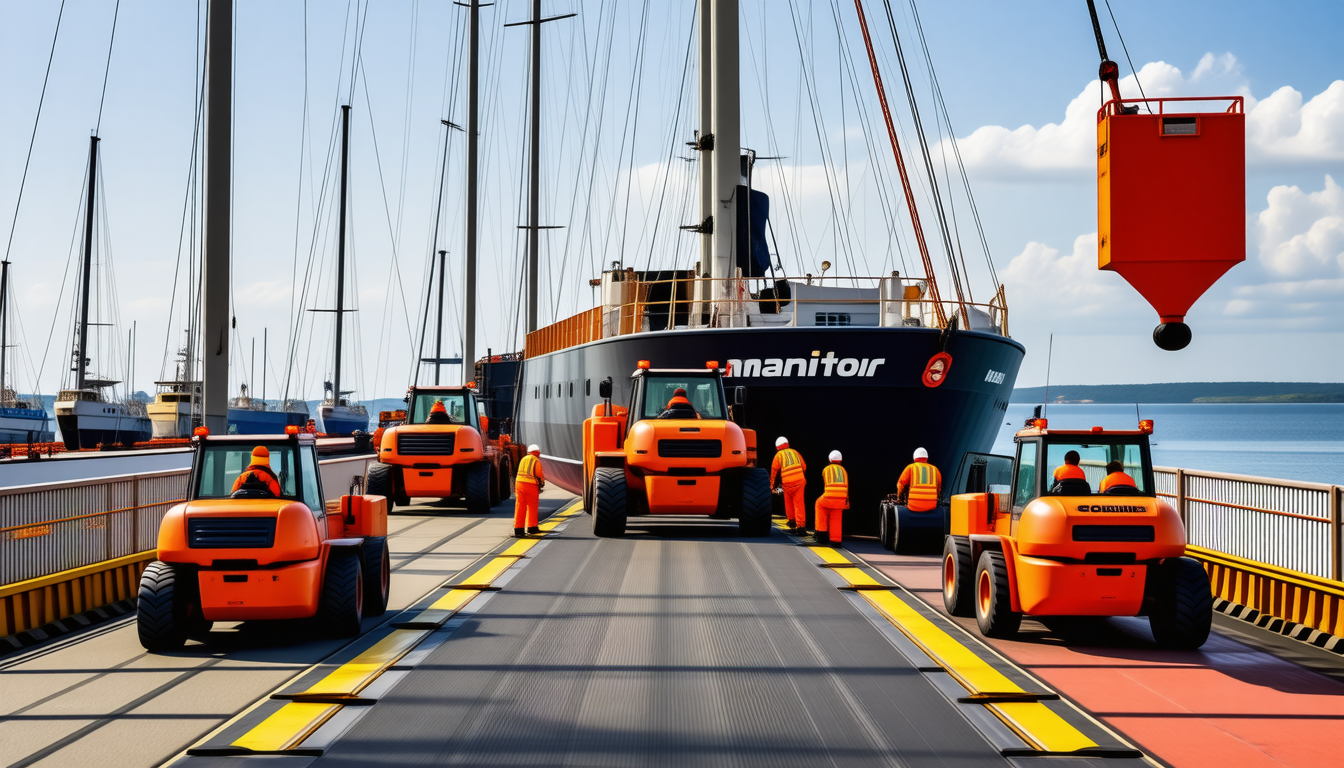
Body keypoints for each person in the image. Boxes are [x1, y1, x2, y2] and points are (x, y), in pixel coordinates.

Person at [770, 436, 808, 533]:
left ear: (777, 447)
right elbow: (804, 466)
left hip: (787, 483)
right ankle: (800, 526)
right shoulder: (795, 452)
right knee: (799, 504)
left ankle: (791, 521)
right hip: (799, 481)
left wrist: (771, 487)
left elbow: (774, 473)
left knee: (788, 502)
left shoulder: (778, 455)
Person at [813, 450, 848, 547]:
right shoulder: (844, 470)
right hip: (842, 498)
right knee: (836, 517)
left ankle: (821, 535)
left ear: (830, 459)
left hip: (829, 496)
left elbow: (825, 483)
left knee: (819, 504)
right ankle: (836, 541)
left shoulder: (826, 469)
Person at [896, 447, 942, 512]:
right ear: (927, 458)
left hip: (913, 506)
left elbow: (900, 484)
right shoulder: (935, 469)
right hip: (931, 506)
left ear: (914, 458)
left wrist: (899, 499)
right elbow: (938, 489)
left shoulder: (910, 467)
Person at [513, 445, 545, 537]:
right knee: (532, 506)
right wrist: (541, 484)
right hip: (531, 485)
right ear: (538, 453)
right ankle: (532, 527)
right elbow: (538, 474)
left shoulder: (523, 459)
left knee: (520, 506)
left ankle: (518, 529)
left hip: (519, 484)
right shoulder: (536, 460)